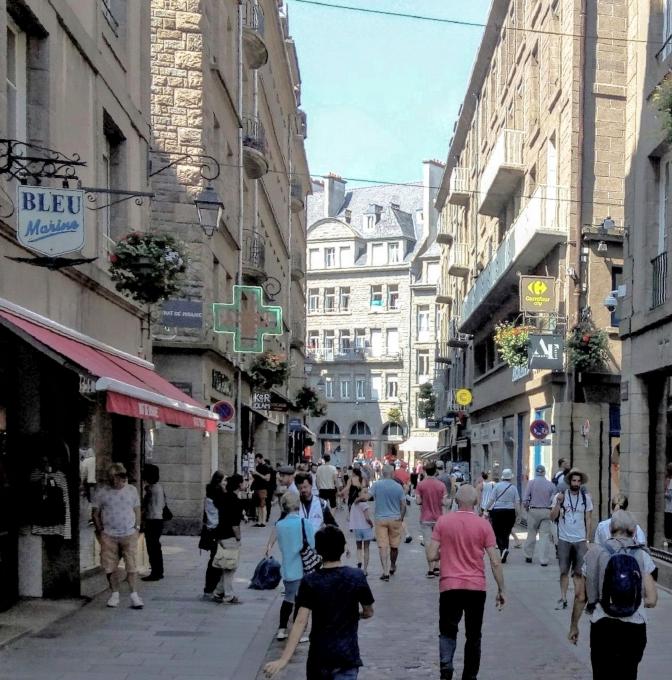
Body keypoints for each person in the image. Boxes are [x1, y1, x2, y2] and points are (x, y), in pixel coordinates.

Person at [264, 525, 374, 680]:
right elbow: (369, 612)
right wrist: (354, 615)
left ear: (317, 550)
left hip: (319, 657)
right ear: (343, 547)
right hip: (346, 656)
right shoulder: (356, 576)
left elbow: (300, 621)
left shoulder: (310, 581)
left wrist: (284, 659)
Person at [428, 485, 505, 680]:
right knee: (473, 635)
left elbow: (431, 555)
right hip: (475, 587)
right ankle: (469, 675)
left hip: (449, 586)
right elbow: (495, 561)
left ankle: (446, 667)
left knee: (447, 630)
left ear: (455, 500)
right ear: (476, 502)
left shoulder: (443, 522)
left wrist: (444, 553)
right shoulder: (484, 525)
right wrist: (501, 588)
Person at [568, 510, 657, 679]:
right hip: (634, 627)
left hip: (603, 625)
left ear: (610, 529)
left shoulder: (593, 554)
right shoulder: (642, 555)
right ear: (633, 531)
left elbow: (581, 596)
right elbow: (652, 600)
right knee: (628, 674)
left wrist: (574, 625)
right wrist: (631, 598)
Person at [92, 463, 144, 609]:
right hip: (109, 534)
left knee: (132, 564)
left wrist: (137, 527)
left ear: (123, 477)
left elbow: (137, 509)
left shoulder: (132, 490)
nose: (114, 481)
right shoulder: (102, 492)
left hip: (129, 532)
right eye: (111, 478)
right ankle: (114, 594)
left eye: (117, 477)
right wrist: (100, 530)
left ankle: (134, 594)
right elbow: (95, 513)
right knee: (109, 565)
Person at [550, 468, 593, 610]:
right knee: (563, 571)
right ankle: (563, 598)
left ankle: (578, 598)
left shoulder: (586, 498)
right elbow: (552, 517)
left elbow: (588, 519)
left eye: (578, 481)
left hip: (580, 540)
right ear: (569, 482)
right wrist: (558, 503)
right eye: (574, 480)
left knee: (580, 572)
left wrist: (587, 539)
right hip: (564, 539)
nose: (576, 483)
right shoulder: (560, 496)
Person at [274, 492, 314, 642]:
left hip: (288, 567)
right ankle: (299, 632)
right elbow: (313, 545)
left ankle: (282, 629)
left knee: (289, 598)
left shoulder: (279, 525)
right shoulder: (305, 523)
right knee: (302, 602)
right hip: (304, 568)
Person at [361, 464, 406, 580]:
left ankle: (385, 571)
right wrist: (401, 517)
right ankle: (392, 565)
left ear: (382, 473)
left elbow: (367, 497)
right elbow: (403, 505)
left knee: (383, 546)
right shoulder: (398, 487)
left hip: (380, 519)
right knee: (394, 546)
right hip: (395, 518)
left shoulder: (376, 485)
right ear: (392, 474)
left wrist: (358, 495)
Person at [212, 473, 244, 604]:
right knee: (230, 567)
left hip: (220, 534)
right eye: (243, 482)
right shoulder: (236, 501)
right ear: (239, 485)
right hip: (230, 536)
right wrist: (239, 538)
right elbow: (235, 525)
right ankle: (228, 595)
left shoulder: (223, 497)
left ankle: (218, 592)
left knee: (227, 565)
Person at [415, 462, 447, 578]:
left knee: (428, 543)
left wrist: (422, 500)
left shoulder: (421, 485)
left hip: (425, 518)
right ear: (435, 471)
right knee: (438, 542)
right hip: (438, 518)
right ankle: (438, 566)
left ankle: (430, 569)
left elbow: (418, 501)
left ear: (425, 471)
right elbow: (444, 502)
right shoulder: (441, 485)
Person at [522, 464, 556, 566]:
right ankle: (544, 560)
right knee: (544, 536)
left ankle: (528, 556)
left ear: (536, 472)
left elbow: (525, 499)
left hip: (533, 511)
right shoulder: (551, 485)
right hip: (546, 511)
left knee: (531, 533)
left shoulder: (531, 483)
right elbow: (553, 500)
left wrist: (526, 507)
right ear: (544, 472)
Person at [485, 468, 520, 563]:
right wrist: (518, 514)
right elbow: (517, 502)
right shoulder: (513, 488)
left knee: (497, 531)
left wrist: (485, 509)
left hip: (498, 511)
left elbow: (491, 499)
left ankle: (502, 549)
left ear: (503, 477)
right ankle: (504, 550)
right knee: (507, 532)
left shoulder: (497, 486)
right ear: (510, 478)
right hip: (510, 511)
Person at [203, 470, 226, 597]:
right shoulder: (218, 496)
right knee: (216, 561)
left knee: (214, 559)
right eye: (224, 481)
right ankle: (212, 588)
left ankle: (211, 588)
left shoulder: (210, 494)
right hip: (217, 531)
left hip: (212, 530)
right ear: (219, 482)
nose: (226, 483)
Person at [141, 463, 165, 581]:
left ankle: (155, 572)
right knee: (156, 546)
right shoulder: (159, 487)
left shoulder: (149, 489)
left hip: (151, 520)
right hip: (159, 519)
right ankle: (158, 570)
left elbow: (145, 507)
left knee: (152, 547)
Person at [349, 485, 374, 574]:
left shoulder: (354, 504)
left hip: (357, 528)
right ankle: (365, 570)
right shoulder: (364, 504)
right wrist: (371, 524)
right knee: (366, 548)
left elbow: (351, 517)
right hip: (366, 528)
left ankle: (359, 562)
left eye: (367, 492)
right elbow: (367, 518)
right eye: (364, 492)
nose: (366, 494)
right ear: (359, 493)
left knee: (359, 547)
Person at [251, 453, 271, 527]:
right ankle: (259, 521)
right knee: (258, 505)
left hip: (263, 488)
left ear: (260, 458)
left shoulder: (266, 467)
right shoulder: (258, 466)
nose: (257, 461)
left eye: (257, 460)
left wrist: (257, 473)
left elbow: (267, 478)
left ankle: (263, 522)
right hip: (257, 487)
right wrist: (253, 474)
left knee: (263, 505)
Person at [665, 463, 672, 544]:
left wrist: (664, 493)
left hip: (670, 508)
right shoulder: (667, 480)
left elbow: (670, 495)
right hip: (667, 508)